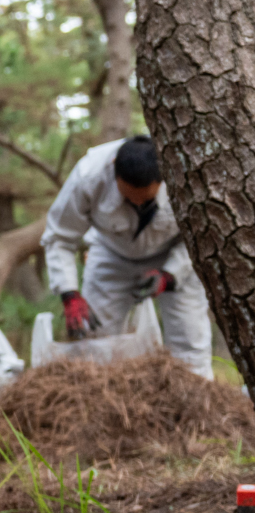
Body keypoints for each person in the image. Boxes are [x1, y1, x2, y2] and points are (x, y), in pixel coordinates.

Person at [42, 133, 211, 378]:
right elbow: (59, 237)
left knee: (190, 339)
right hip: (111, 253)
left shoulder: (189, 173)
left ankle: (198, 408)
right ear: (113, 170)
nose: (137, 204)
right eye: (128, 197)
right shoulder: (89, 175)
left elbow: (202, 238)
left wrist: (170, 275)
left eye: (146, 199)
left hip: (174, 255)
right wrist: (69, 294)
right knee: (94, 339)